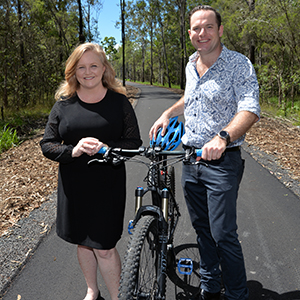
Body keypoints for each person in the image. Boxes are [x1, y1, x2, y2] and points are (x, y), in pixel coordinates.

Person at [149, 5, 260, 300]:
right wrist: (167, 113)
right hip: (190, 159)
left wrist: (223, 137)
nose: (202, 33)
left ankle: (237, 293)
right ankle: (210, 286)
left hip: (222, 162)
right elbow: (191, 96)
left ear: (220, 30)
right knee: (203, 230)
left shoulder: (238, 64)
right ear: (190, 33)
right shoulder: (191, 63)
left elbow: (250, 108)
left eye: (208, 27)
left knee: (223, 234)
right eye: (196, 28)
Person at [40, 42, 142, 300]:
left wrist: (107, 148)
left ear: (104, 68)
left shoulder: (119, 103)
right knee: (83, 241)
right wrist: (72, 151)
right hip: (74, 185)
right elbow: (47, 144)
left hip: (107, 184)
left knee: (105, 247)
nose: (88, 72)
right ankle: (92, 290)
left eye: (93, 65)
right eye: (81, 67)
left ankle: (120, 297)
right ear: (73, 71)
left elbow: (133, 143)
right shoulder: (63, 105)